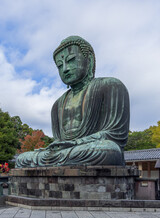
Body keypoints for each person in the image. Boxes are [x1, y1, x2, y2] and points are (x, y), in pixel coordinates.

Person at [16, 36, 129, 168]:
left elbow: (115, 135)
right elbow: (58, 141)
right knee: (22, 159)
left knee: (109, 150)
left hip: (93, 148)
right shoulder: (57, 104)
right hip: (68, 152)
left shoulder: (111, 86)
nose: (65, 69)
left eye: (71, 60)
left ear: (90, 60)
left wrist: (77, 143)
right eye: (59, 66)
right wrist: (57, 147)